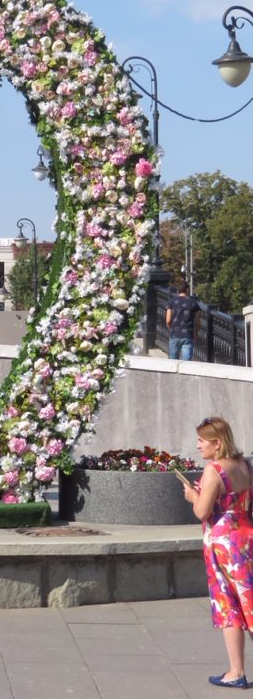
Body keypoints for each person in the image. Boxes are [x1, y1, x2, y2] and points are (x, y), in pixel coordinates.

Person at [181, 416, 253, 689]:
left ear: (217, 443)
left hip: (223, 544)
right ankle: (235, 671)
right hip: (246, 536)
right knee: (247, 602)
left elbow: (202, 511)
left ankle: (236, 671)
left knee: (230, 607)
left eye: (202, 440)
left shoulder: (214, 469)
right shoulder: (245, 465)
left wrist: (192, 496)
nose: (198, 445)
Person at [166, 282, 200, 360]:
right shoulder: (193, 303)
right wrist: (196, 332)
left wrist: (171, 329)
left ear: (178, 291)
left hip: (174, 334)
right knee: (186, 363)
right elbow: (198, 322)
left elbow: (168, 320)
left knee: (173, 361)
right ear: (187, 290)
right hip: (188, 334)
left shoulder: (171, 302)